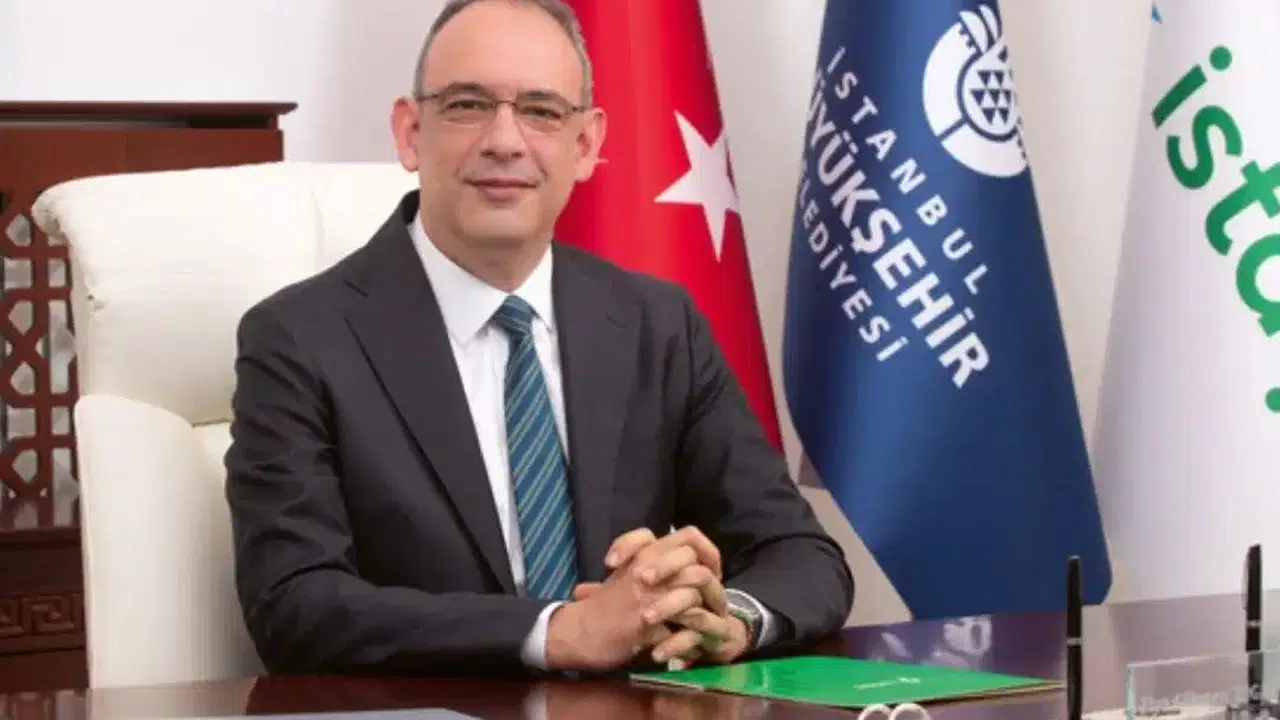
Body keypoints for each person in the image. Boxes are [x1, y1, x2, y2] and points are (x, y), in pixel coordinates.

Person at [224, 0, 853, 678]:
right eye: (468, 105)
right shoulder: (300, 338)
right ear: (410, 133)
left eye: (542, 111)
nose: (505, 140)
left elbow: (801, 554)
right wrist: (557, 632)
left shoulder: (658, 323)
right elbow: (294, 604)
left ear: (585, 145)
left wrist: (729, 618)